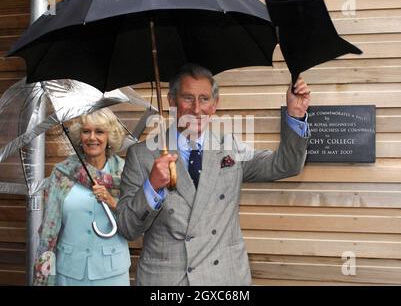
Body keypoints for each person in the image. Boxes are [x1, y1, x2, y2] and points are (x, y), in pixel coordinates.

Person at [116, 63, 311, 286]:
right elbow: (126, 228)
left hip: (224, 279)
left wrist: (296, 114)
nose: (197, 109)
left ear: (215, 104)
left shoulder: (230, 149)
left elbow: (286, 165)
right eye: (188, 98)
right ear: (171, 101)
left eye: (204, 99)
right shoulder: (141, 156)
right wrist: (151, 188)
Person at [33, 108, 131, 286]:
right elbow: (50, 226)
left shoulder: (126, 172)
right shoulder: (62, 173)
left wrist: (112, 202)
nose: (92, 137)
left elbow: (135, 221)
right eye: (86, 131)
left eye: (99, 131)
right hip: (70, 272)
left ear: (110, 137)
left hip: (112, 272)